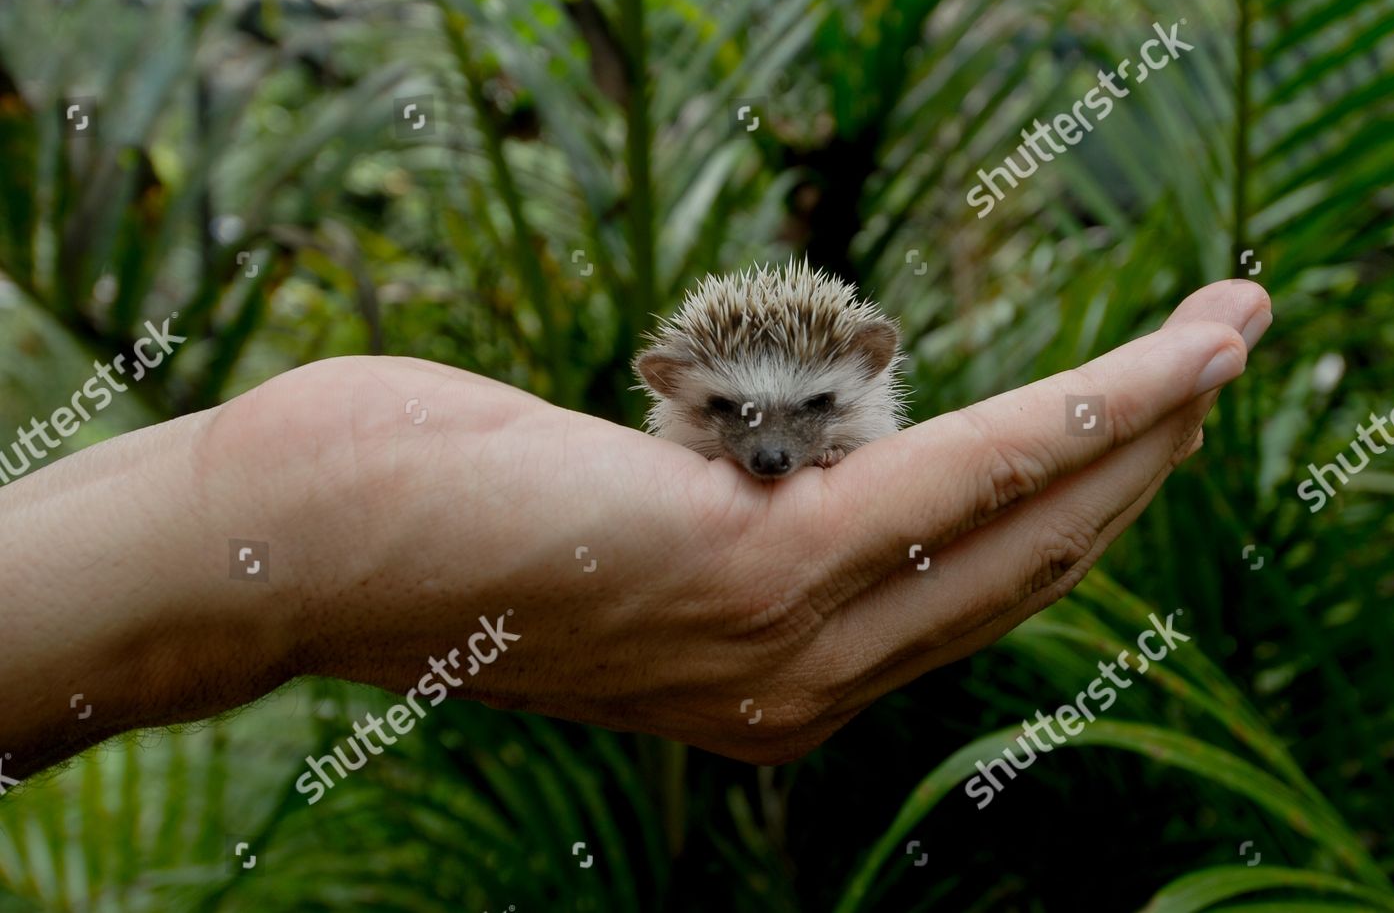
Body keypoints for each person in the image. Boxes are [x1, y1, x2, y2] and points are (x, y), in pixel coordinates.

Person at [0, 279, 1269, 787]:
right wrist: (308, 510)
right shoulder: (685, 444)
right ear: (670, 393)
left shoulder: (798, 410)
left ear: (873, 377)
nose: (770, 450)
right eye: (729, 418)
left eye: (813, 416)